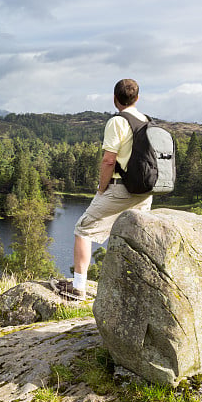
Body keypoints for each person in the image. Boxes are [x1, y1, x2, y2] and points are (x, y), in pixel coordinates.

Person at [59, 78, 153, 300]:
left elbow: (109, 160)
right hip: (145, 191)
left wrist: (102, 188)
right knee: (133, 238)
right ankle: (135, 290)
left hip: (121, 189)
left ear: (114, 99)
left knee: (83, 229)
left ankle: (78, 288)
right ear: (137, 98)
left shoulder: (118, 122)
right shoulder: (147, 121)